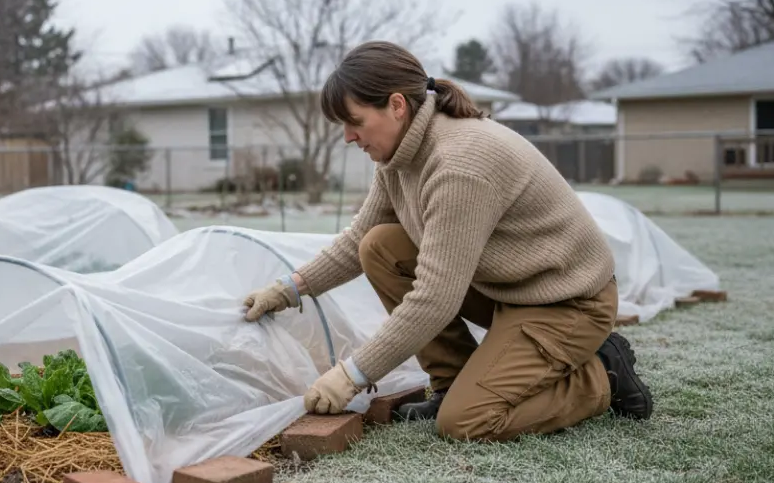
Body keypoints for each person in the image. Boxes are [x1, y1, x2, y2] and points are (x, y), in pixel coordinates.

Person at [241, 41, 652, 442]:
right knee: (380, 246)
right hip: (511, 289)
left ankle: (603, 374)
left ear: (397, 106)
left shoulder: (459, 166)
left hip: (567, 303)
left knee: (468, 422)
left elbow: (436, 298)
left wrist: (352, 376)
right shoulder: (398, 156)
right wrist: (289, 289)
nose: (348, 137)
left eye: (355, 122)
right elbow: (358, 240)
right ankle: (451, 383)